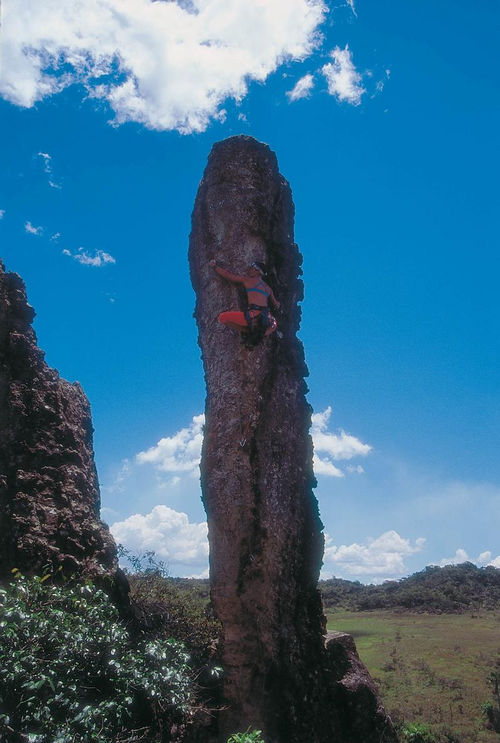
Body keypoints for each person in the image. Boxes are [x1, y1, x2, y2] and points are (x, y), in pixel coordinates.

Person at [209, 259, 280, 344]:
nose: (249, 270)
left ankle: (247, 331)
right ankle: (262, 334)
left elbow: (229, 276)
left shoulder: (248, 280)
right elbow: (277, 304)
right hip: (265, 318)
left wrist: (215, 267)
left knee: (222, 318)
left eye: (251, 268)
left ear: (257, 271)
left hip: (252, 316)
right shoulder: (268, 289)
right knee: (274, 324)